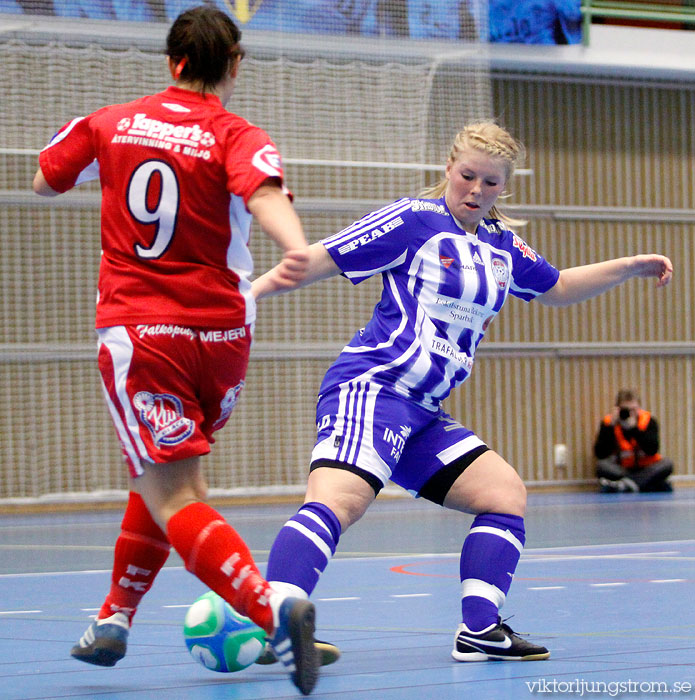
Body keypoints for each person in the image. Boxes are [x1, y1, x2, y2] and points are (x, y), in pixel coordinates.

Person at [250, 122, 673, 663]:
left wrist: (631, 266)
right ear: (448, 169)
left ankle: (480, 630)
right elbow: (319, 258)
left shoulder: (501, 244)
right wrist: (247, 295)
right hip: (374, 388)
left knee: (503, 495)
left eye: (490, 183)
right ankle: (275, 623)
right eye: (467, 176)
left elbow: (559, 287)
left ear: (505, 186)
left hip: (424, 412)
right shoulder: (412, 220)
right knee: (338, 501)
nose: (475, 190)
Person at [32, 6, 321, 694]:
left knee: (176, 491)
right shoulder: (236, 133)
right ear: (235, 65)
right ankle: (114, 619)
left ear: (173, 61)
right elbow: (264, 193)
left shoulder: (108, 120)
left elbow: (44, 181)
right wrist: (296, 246)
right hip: (223, 339)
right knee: (164, 478)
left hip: (143, 333)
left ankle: (270, 609)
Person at [595, 389, 674, 493]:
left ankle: (624, 485)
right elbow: (600, 454)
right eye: (626, 410)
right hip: (622, 470)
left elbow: (652, 450)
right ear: (618, 409)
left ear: (639, 408)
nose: (631, 413)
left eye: (634, 409)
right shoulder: (609, 423)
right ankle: (642, 484)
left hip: (647, 468)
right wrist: (610, 427)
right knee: (601, 466)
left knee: (667, 464)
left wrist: (634, 429)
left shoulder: (649, 421)